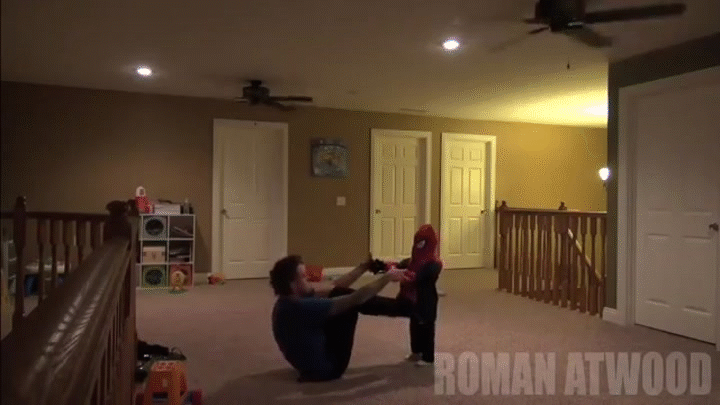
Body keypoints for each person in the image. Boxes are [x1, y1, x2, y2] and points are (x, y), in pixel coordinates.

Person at [270, 254, 411, 382]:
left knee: (337, 293)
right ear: (292, 284)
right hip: (329, 369)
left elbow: (334, 287)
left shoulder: (287, 302)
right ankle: (406, 308)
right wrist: (387, 277)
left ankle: (403, 308)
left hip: (308, 365)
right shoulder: (300, 307)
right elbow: (355, 298)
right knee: (349, 306)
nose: (308, 279)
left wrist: (362, 268)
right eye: (304, 277)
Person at [395, 224, 443, 366]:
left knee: (426, 326)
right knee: (415, 324)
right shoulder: (413, 260)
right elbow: (399, 266)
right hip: (413, 299)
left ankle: (428, 357)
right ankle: (416, 351)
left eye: (422, 242)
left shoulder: (434, 263)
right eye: (418, 242)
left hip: (426, 299)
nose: (419, 245)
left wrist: (404, 276)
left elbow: (419, 277)